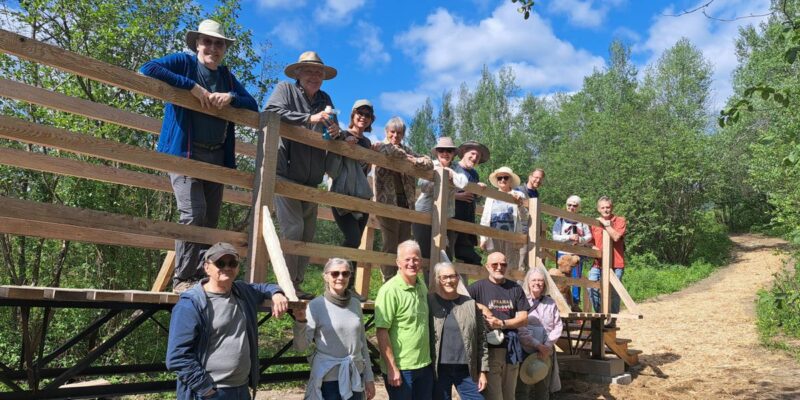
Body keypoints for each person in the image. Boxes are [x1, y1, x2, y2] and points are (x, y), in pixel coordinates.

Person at [140, 19, 258, 294]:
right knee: (193, 213)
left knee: (210, 218)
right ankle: (183, 278)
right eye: (208, 42)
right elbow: (148, 68)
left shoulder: (227, 77)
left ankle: (202, 275)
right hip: (185, 153)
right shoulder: (184, 63)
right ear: (197, 44)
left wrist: (230, 97)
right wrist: (191, 86)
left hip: (216, 156)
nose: (213, 48)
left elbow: (251, 104)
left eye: (219, 43)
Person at [166, 242, 289, 400]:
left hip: (241, 389)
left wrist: (277, 293)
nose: (227, 267)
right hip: (211, 392)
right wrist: (206, 389)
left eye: (232, 263)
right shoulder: (190, 304)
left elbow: (264, 287)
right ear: (207, 267)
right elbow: (177, 357)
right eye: (220, 263)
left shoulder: (243, 292)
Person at [265, 51, 340, 299]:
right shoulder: (285, 89)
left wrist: (335, 131)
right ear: (298, 73)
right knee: (293, 229)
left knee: (307, 234)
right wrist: (308, 118)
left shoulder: (325, 98)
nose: (315, 76)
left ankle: (295, 284)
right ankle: (285, 285)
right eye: (309, 71)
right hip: (285, 173)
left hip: (312, 179)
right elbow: (271, 112)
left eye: (319, 72)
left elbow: (331, 129)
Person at [293, 258, 376, 400]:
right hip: (328, 379)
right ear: (325, 276)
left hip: (355, 376)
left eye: (345, 273)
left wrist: (369, 378)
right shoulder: (316, 305)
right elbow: (301, 347)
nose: (340, 277)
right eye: (335, 273)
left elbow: (362, 344)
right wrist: (300, 322)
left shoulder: (356, 304)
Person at [372, 117, 433, 282]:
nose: (395, 135)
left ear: (403, 134)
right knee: (390, 243)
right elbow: (391, 152)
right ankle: (388, 279)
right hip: (386, 202)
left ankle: (402, 280)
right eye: (392, 132)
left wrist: (416, 160)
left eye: (399, 133)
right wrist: (407, 157)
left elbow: (429, 163)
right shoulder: (379, 146)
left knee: (405, 243)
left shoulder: (407, 149)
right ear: (386, 132)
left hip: (406, 203)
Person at [326, 100, 375, 298]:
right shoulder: (343, 134)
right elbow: (331, 163)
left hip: (362, 196)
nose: (363, 117)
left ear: (371, 120)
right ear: (353, 115)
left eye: (367, 114)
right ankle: (333, 275)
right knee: (352, 239)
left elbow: (367, 169)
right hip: (343, 194)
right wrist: (344, 145)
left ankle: (349, 287)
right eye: (359, 113)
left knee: (356, 242)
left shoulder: (368, 143)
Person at [374, 240, 433, 399]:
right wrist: (392, 368)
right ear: (398, 262)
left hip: (424, 364)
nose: (412, 263)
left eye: (415, 259)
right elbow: (381, 332)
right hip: (402, 367)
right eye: (407, 259)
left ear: (420, 261)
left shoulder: (422, 286)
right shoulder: (389, 291)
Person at [468, 252, 530, 400]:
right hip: (489, 350)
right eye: (495, 264)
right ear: (487, 266)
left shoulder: (515, 288)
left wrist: (502, 324)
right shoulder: (476, 288)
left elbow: (524, 318)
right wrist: (482, 307)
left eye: (503, 264)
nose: (499, 267)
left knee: (509, 395)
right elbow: (460, 305)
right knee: (494, 396)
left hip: (511, 348)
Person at [429, 262, 488, 400]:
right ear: (438, 279)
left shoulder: (470, 304)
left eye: (453, 276)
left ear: (458, 278)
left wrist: (483, 371)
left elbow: (482, 339)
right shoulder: (429, 302)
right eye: (444, 277)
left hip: (467, 369)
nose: (449, 281)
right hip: (439, 369)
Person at [412, 137, 469, 273]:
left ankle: (443, 290)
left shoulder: (455, 167)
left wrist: (450, 173)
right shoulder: (431, 164)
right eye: (442, 150)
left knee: (447, 255)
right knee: (426, 255)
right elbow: (423, 186)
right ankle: (430, 290)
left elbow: (463, 183)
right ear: (437, 152)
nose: (445, 153)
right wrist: (441, 177)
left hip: (446, 216)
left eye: (449, 150)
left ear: (453, 154)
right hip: (424, 214)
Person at [515, 269, 562, 400]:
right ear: (528, 283)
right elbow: (520, 327)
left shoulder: (550, 302)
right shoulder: (521, 300)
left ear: (544, 283)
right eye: (534, 280)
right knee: (522, 390)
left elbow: (558, 326)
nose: (537, 283)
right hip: (526, 350)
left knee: (543, 388)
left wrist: (547, 346)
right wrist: (538, 346)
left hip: (546, 352)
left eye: (540, 280)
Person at [588, 196, 627, 328]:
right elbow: (589, 242)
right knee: (591, 286)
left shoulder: (620, 220)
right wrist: (592, 247)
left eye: (608, 207)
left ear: (612, 207)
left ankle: (612, 319)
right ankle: (600, 315)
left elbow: (616, 237)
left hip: (616, 263)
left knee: (614, 292)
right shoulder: (594, 223)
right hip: (598, 263)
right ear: (598, 209)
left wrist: (606, 225)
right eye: (603, 207)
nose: (606, 210)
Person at [479, 167, 528, 271]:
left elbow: (525, 217)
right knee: (494, 263)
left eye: (505, 177)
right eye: (499, 178)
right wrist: (483, 237)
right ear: (497, 181)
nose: (502, 180)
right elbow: (485, 217)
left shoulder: (518, 195)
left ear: (510, 180)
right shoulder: (491, 196)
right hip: (493, 235)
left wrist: (519, 204)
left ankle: (510, 287)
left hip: (511, 236)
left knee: (511, 264)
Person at [453, 141, 490, 267]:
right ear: (464, 153)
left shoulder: (474, 174)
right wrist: (458, 196)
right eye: (472, 154)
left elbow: (473, 197)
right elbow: (440, 191)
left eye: (478, 157)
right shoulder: (453, 167)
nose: (474, 158)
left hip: (468, 218)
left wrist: (478, 190)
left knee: (465, 256)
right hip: (452, 216)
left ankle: (464, 285)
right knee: (452, 251)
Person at [551, 195, 592, 309]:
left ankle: (575, 303)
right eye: (569, 205)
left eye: (575, 205)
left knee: (576, 277)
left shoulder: (582, 220)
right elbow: (555, 236)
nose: (571, 207)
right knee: (562, 278)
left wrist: (581, 239)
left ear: (578, 207)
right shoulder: (561, 219)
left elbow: (589, 235)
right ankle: (561, 301)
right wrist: (568, 237)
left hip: (577, 252)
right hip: (563, 253)